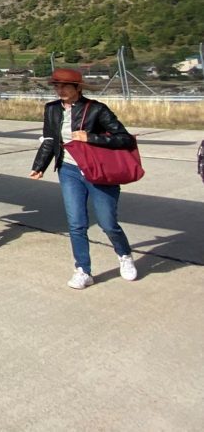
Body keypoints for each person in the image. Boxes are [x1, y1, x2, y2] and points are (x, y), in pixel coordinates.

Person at [29, 68, 139, 290]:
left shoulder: (97, 109)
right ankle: (83, 270)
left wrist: (92, 138)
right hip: (68, 170)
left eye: (64, 86)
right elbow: (50, 139)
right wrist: (40, 165)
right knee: (76, 223)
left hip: (97, 171)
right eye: (56, 86)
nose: (59, 90)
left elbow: (125, 139)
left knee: (108, 223)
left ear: (77, 88)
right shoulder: (51, 109)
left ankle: (124, 255)